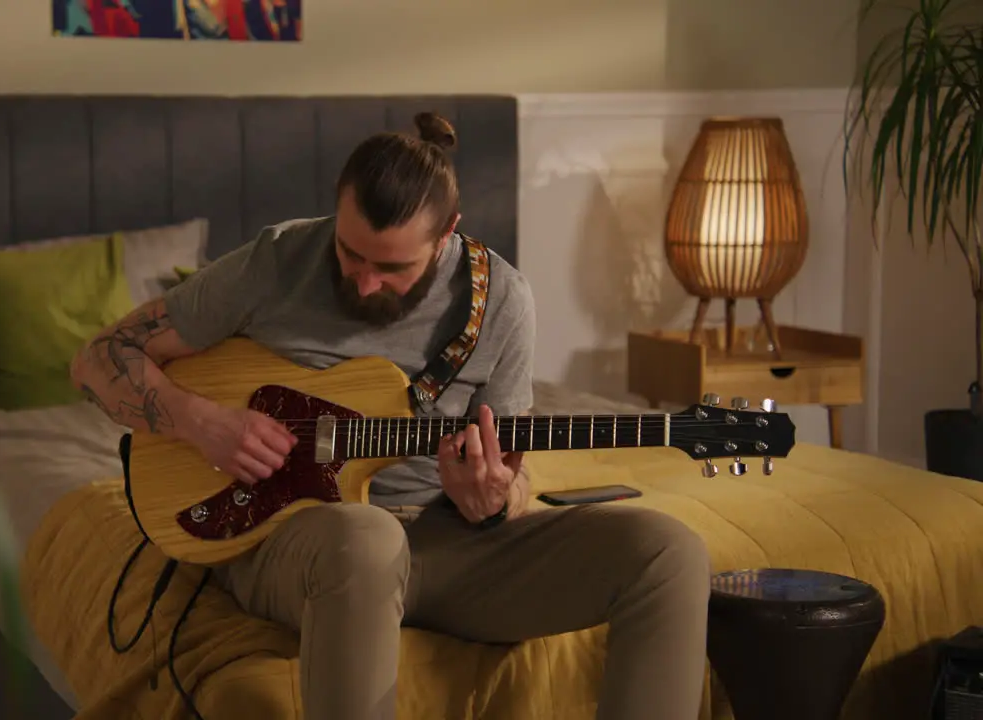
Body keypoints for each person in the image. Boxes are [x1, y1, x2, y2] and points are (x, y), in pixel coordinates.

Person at [70, 112, 711, 720]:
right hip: (299, 540)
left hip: (448, 541)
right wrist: (201, 421)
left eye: (393, 266)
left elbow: (513, 481)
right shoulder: (276, 262)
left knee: (667, 551)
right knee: (366, 538)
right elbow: (100, 357)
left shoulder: (503, 300)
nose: (365, 283)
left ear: (448, 231)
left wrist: (493, 498)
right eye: (351, 254)